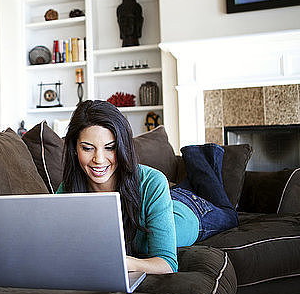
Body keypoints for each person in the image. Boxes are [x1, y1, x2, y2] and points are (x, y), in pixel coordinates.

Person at [56, 100, 238, 274]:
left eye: (110, 148)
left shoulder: (153, 181)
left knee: (229, 215)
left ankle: (200, 155)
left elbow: (166, 264)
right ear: (74, 148)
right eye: (87, 148)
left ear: (122, 147)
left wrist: (121, 262)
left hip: (191, 210)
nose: (99, 159)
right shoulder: (68, 190)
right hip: (161, 200)